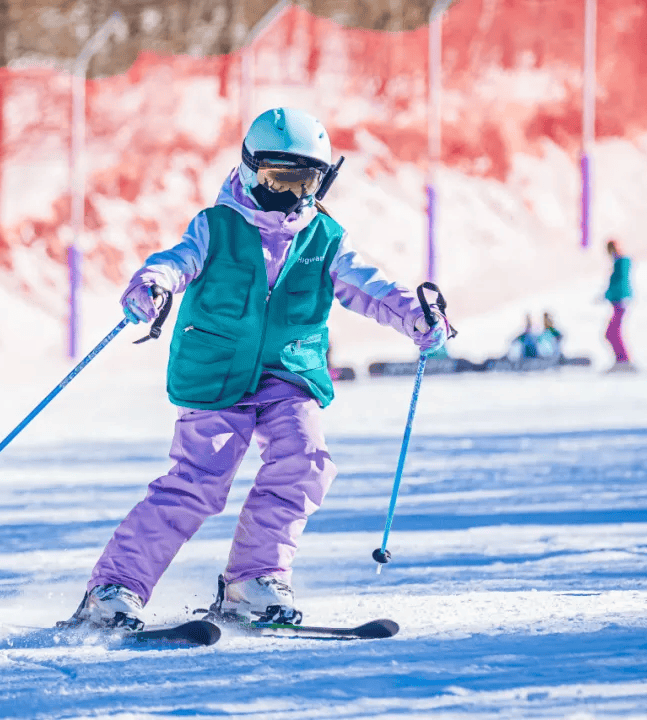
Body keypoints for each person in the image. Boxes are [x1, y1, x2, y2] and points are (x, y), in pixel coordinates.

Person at [67, 108, 450, 630]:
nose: (289, 196)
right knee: (199, 481)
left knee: (305, 461)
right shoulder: (216, 227)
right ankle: (113, 588)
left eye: (304, 182)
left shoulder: (325, 237)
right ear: (250, 169)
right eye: (277, 179)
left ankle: (255, 579)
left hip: (288, 373)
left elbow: (368, 286)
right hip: (216, 375)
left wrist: (415, 316)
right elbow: (176, 261)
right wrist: (151, 286)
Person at [603, 238, 634, 372]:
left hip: (620, 302)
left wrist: (609, 294)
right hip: (618, 301)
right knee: (611, 332)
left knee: (612, 332)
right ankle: (621, 359)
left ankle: (623, 360)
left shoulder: (621, 263)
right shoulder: (619, 262)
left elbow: (619, 283)